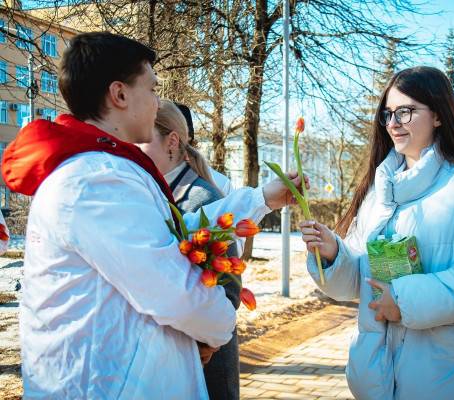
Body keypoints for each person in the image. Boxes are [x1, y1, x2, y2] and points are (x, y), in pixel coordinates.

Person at [0, 32, 301, 399]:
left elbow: (173, 234)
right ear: (120, 95)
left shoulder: (103, 169)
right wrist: (217, 329)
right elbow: (173, 289)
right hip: (103, 386)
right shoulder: (95, 181)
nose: (158, 102)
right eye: (152, 88)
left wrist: (261, 199)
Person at [300, 66, 454, 400]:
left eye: (405, 111)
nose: (393, 123)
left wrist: (403, 302)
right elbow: (360, 285)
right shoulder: (378, 194)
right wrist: (334, 254)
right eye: (388, 114)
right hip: (379, 374)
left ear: (438, 115)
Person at [139, 99, 302, 400]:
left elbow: (228, 287)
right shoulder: (159, 193)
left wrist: (204, 342)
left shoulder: (200, 199)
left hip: (206, 361)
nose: (133, 152)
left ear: (171, 142)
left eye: (141, 142)